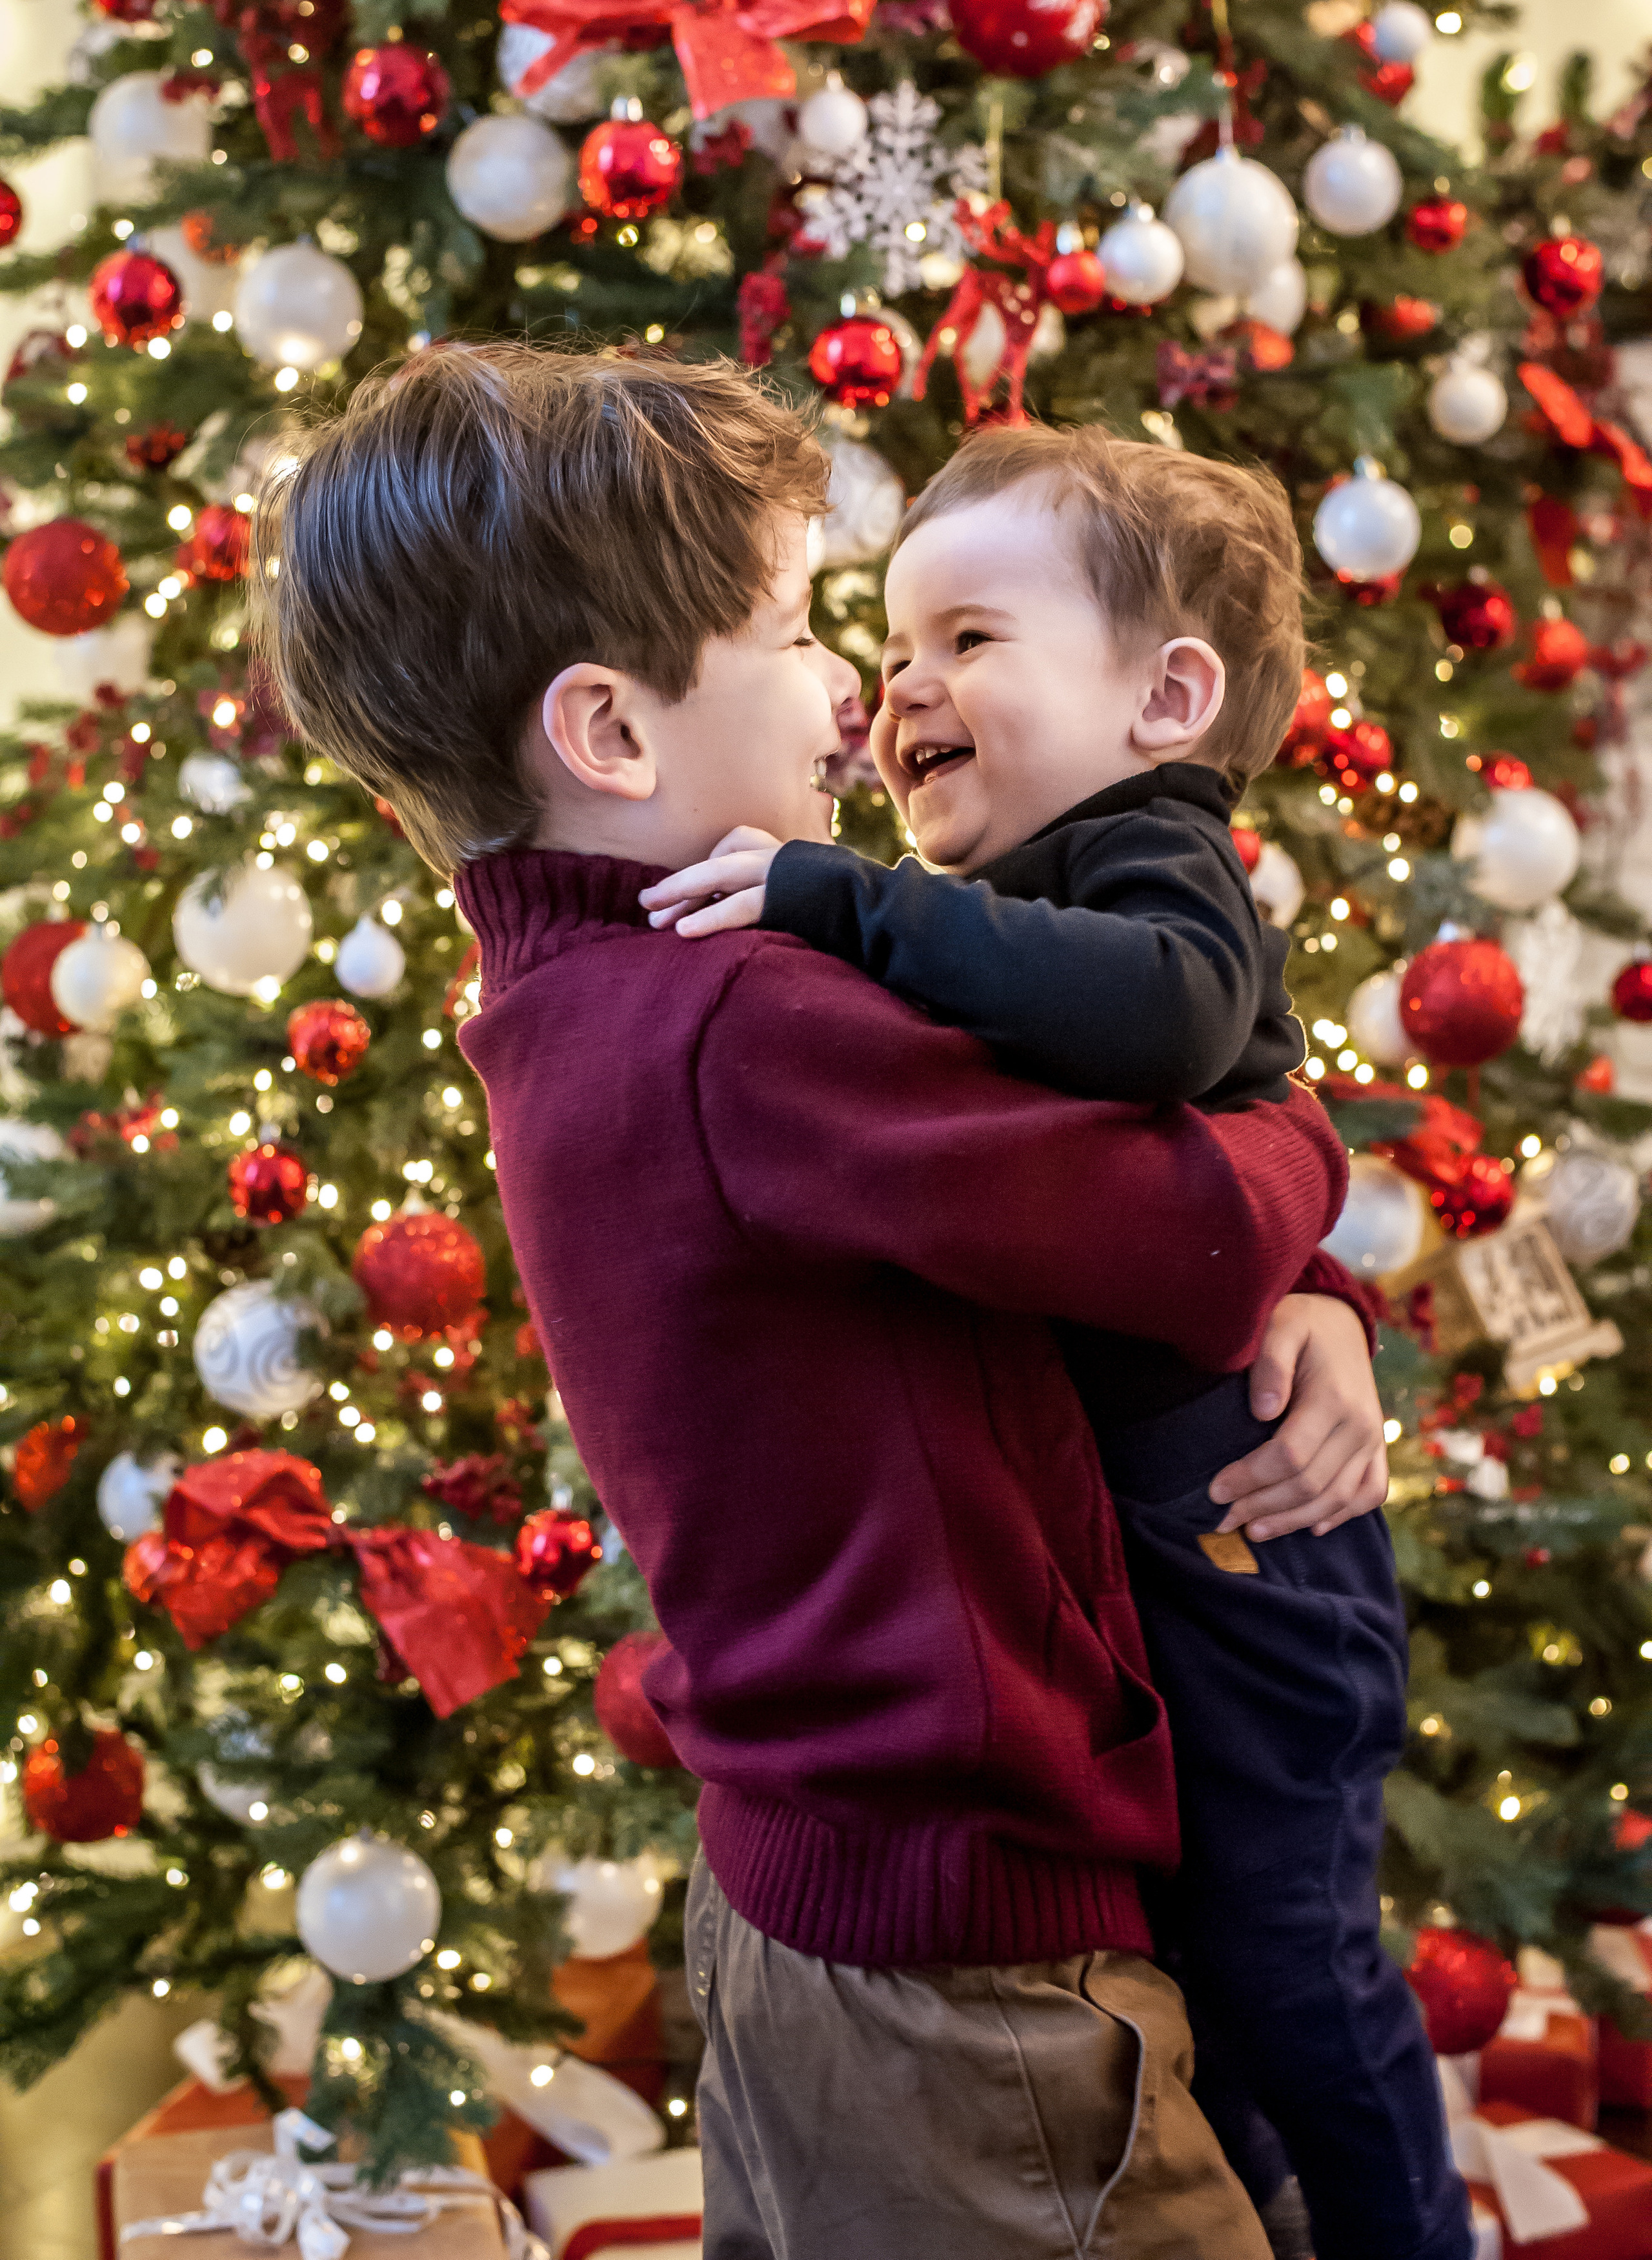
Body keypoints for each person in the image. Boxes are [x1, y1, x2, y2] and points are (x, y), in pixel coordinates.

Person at [257, 344, 1391, 2260]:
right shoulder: (750, 1019)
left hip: (803, 1903)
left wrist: (1325, 1291)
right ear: (612, 734)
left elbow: (1046, 1211)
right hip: (967, 1959)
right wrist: (1306, 1139)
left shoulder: (573, 1000)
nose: (855, 689)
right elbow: (1194, 1243)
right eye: (795, 631)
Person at [645, 423, 1469, 2260]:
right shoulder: (990, 913)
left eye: (969, 640)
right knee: (1193, 1971)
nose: (898, 685)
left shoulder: (1148, 853)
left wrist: (844, 896)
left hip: (1245, 1542)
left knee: (1293, 1961)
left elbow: (1175, 1030)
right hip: (1137, 1558)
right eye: (890, 640)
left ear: (1167, 695)